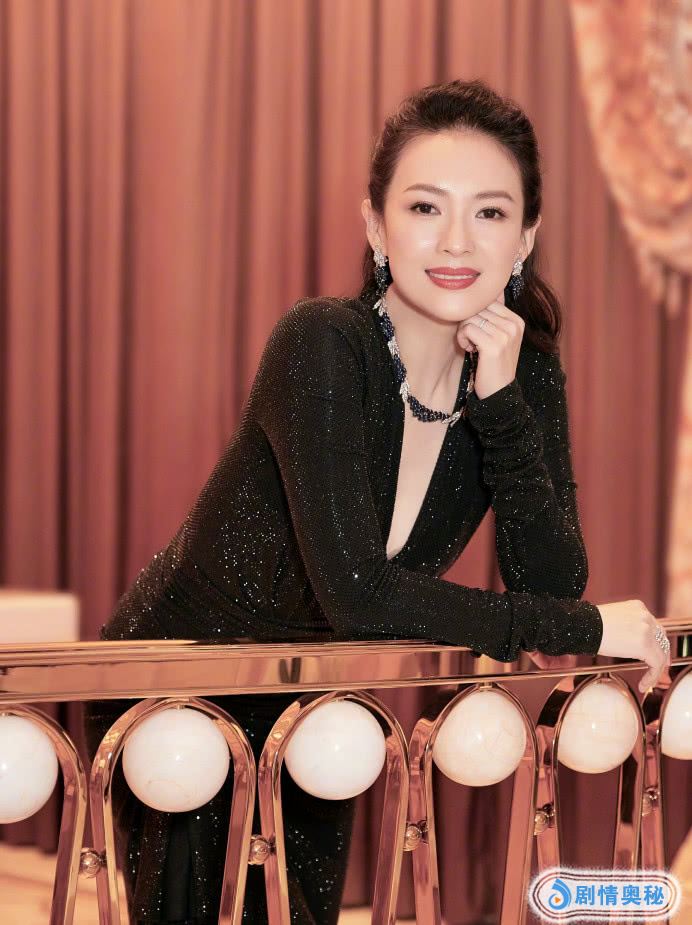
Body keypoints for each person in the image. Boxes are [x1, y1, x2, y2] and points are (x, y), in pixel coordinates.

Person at [84, 78, 671, 925]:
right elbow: (358, 592)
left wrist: (501, 405)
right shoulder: (323, 342)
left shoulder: (524, 372)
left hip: (321, 693)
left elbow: (548, 577)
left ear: (525, 238)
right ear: (375, 226)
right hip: (182, 682)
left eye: (491, 212)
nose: (457, 240)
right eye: (426, 207)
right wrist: (586, 628)